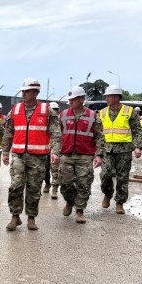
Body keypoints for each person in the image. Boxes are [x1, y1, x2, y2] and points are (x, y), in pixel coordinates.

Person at [2, 78, 61, 231]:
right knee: (15, 186)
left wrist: (55, 152)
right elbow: (8, 132)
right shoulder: (15, 109)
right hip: (18, 155)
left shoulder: (47, 111)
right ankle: (15, 216)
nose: (24, 94)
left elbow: (56, 133)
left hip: (38, 157)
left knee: (34, 188)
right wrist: (5, 152)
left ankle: (31, 218)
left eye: (27, 91)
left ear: (35, 92)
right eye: (23, 91)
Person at [59, 86, 105, 223]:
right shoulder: (63, 115)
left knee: (84, 184)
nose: (70, 102)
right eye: (69, 99)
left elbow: (100, 137)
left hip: (85, 156)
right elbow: (57, 135)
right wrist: (55, 152)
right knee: (65, 184)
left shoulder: (93, 115)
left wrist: (99, 155)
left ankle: (79, 211)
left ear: (82, 99)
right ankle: (69, 201)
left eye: (73, 99)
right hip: (66, 155)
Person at [99, 85, 142, 214]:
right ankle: (107, 194)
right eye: (106, 96)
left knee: (123, 177)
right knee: (105, 175)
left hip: (124, 150)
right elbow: (98, 132)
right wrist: (98, 151)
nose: (107, 98)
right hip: (107, 149)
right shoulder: (102, 112)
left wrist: (138, 147)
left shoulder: (129, 111)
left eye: (109, 96)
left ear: (117, 97)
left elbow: (137, 131)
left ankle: (120, 202)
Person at [43, 101, 61, 199]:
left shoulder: (60, 121)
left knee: (55, 169)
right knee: (45, 169)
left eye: (56, 110)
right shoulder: (44, 120)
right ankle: (47, 183)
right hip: (45, 148)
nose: (54, 111)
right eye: (52, 110)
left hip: (56, 149)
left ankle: (54, 189)